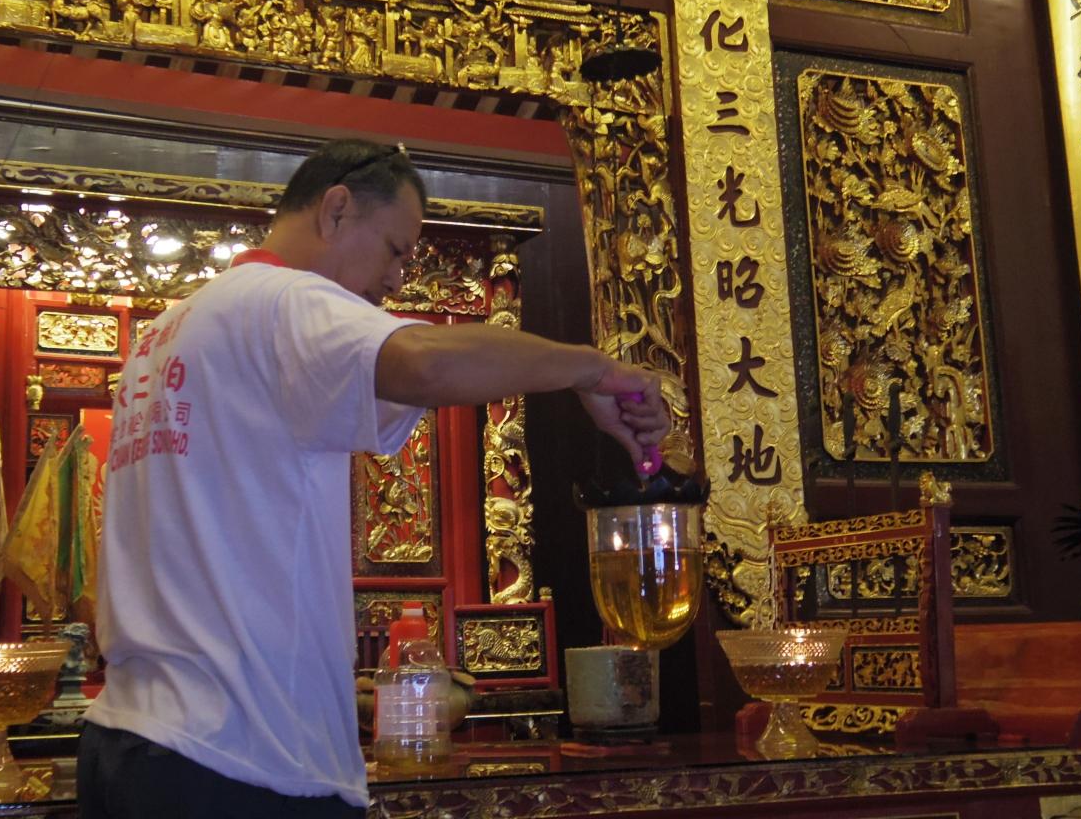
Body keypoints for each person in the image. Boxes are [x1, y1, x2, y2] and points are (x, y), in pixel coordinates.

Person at [77, 139, 671, 818]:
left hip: (128, 742)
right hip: (237, 759)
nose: (395, 280)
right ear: (336, 210)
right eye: (394, 250)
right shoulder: (283, 301)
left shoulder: (168, 331)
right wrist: (593, 369)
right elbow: (425, 362)